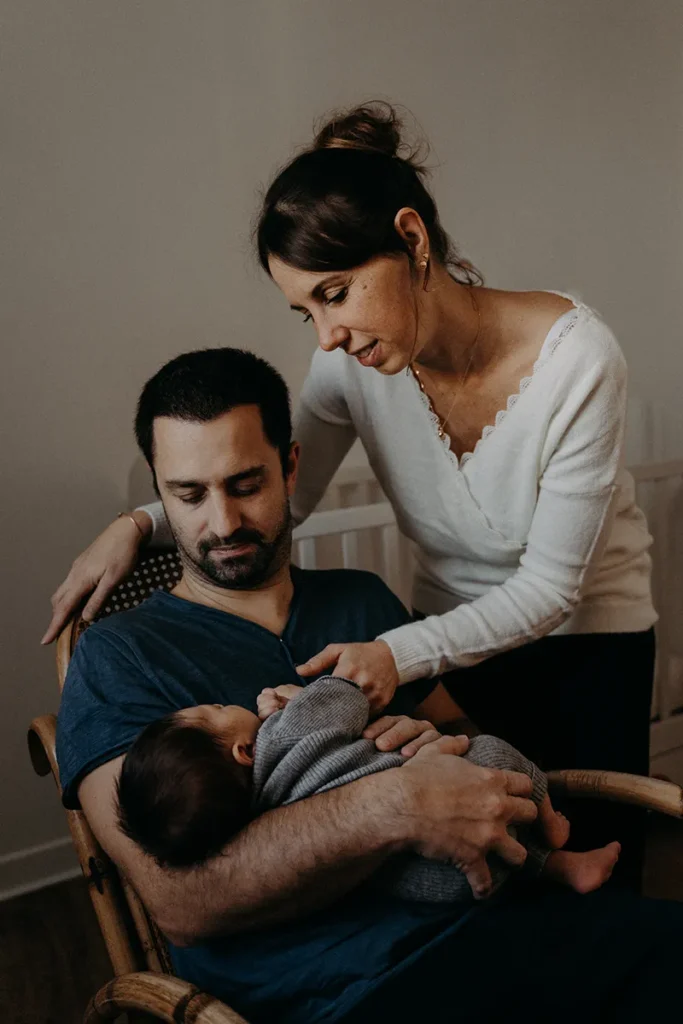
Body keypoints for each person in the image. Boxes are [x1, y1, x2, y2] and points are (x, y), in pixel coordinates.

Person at [43, 102, 657, 888]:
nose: (325, 337)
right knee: (488, 864)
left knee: (599, 866)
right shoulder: (348, 369)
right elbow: (269, 492)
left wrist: (393, 654)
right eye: (305, 311)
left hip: (585, 636)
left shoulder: (578, 360)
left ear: (411, 239)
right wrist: (137, 523)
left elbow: (551, 588)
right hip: (451, 641)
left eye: (335, 294)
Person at [55, 347, 683, 1024]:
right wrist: (395, 802)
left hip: (506, 919)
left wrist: (433, 748)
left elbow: (469, 742)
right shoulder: (119, 656)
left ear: (290, 467)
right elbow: (181, 902)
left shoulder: (360, 601)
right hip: (349, 994)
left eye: (245, 484)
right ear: (159, 489)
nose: (223, 523)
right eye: (188, 494)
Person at [117, 673, 621, 899]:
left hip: (434, 887)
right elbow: (344, 697)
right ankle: (550, 820)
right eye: (217, 711)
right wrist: (301, 700)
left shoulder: (259, 817)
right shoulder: (282, 731)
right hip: (465, 806)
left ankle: (557, 868)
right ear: (244, 750)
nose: (224, 703)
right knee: (489, 754)